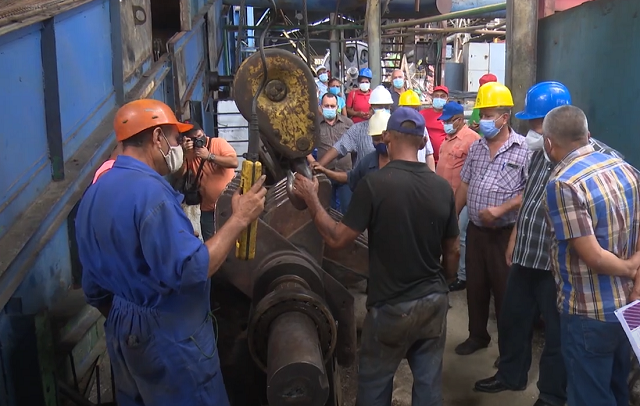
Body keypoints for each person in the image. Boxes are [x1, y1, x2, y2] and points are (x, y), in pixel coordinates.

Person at [75, 99, 267, 406]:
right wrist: (240, 218)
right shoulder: (153, 196)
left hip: (122, 333)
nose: (180, 146)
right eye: (176, 139)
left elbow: (93, 288)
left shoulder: (95, 192)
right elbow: (193, 269)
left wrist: (131, 319)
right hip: (171, 338)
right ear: (156, 138)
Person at [292, 107, 460, 406]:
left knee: (374, 386)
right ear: (423, 142)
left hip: (391, 306)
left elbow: (336, 238)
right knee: (428, 387)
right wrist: (444, 283)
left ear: (386, 138)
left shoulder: (375, 185)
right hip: (433, 302)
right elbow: (453, 250)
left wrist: (312, 199)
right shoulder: (442, 188)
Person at [473, 82, 622, 406]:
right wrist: (515, 238)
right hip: (529, 252)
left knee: (558, 337)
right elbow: (530, 197)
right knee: (513, 318)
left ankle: (552, 395)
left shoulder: (604, 161)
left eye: (537, 123)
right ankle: (510, 374)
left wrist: (628, 265)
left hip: (563, 268)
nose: (532, 131)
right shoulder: (543, 153)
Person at [543, 104, 640, 406]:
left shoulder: (563, 184)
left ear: (548, 143)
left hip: (588, 312)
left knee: (589, 395)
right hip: (630, 307)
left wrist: (628, 268)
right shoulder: (625, 169)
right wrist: (636, 274)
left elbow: (594, 257)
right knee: (618, 387)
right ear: (588, 135)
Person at [454, 82, 530, 356]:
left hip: (504, 235)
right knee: (475, 287)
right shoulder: (476, 148)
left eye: (488, 115)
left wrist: (501, 209)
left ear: (504, 117)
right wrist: (452, 217)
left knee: (505, 294)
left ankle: (509, 352)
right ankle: (477, 335)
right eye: (482, 115)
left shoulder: (524, 150)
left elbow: (531, 194)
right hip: (476, 232)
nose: (482, 120)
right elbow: (464, 185)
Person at [436, 102, 480, 292]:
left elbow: (476, 172)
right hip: (444, 198)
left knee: (459, 237)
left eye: (448, 121)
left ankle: (462, 276)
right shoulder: (447, 139)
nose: (445, 124)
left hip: (462, 199)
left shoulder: (472, 140)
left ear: (460, 120)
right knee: (445, 236)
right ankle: (446, 270)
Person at [180, 122, 238, 241]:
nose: (199, 141)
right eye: (194, 139)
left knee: (233, 241)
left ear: (204, 133)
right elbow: (180, 174)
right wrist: (184, 154)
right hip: (208, 209)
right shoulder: (190, 154)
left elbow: (234, 162)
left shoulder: (218, 143)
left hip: (229, 206)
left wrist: (209, 156)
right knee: (211, 242)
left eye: (200, 136)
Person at [314, 85, 389, 171]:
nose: (382, 111)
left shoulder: (395, 128)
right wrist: (319, 166)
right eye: (378, 107)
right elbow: (338, 148)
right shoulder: (358, 129)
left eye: (386, 107)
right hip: (364, 179)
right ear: (370, 109)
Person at [314, 109, 390, 192]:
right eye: (376, 139)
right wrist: (324, 169)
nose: (380, 142)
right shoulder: (368, 161)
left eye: (383, 139)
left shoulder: (401, 160)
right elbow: (349, 177)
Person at [308, 93, 354, 213]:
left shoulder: (348, 123)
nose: (329, 109)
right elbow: (305, 148)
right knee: (327, 209)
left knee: (347, 209)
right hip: (324, 174)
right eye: (327, 106)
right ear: (321, 106)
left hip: (345, 173)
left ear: (337, 106)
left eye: (332, 106)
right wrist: (313, 163)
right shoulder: (314, 125)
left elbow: (356, 147)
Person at [398, 90, 436, 171]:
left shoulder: (422, 128)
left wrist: (432, 177)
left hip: (420, 174)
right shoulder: (396, 128)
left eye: (414, 109)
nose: (411, 112)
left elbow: (429, 154)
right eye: (408, 109)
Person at [419, 85, 449, 165]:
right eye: (436, 96)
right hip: (426, 159)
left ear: (447, 99)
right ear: (432, 98)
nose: (439, 98)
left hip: (445, 160)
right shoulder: (422, 114)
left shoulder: (450, 116)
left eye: (442, 96)